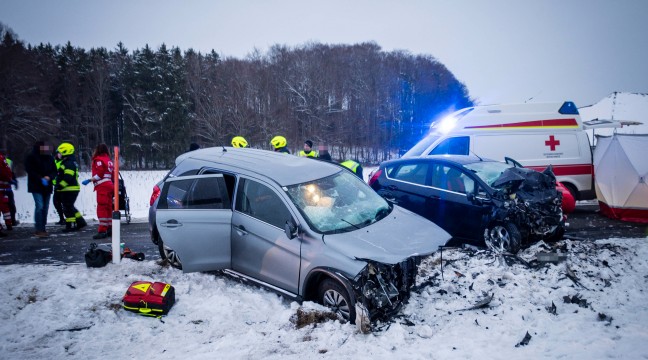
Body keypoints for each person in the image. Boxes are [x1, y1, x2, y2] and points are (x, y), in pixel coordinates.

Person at [25, 141, 57, 238]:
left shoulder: (50, 158)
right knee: (40, 206)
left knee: (45, 207)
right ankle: (39, 228)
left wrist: (49, 177)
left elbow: (54, 170)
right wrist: (40, 178)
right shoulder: (31, 157)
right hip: (36, 185)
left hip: (47, 186)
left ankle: (42, 227)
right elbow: (30, 170)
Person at [83, 144, 114, 239]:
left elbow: (99, 174)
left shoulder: (99, 160)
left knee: (102, 208)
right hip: (109, 185)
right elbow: (112, 175)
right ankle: (109, 228)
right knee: (108, 208)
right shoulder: (109, 160)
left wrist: (90, 180)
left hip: (102, 186)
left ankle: (102, 230)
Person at [54, 142, 87, 232]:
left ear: (65, 152)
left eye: (59, 153)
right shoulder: (68, 162)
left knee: (67, 208)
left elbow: (68, 177)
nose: (58, 155)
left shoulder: (68, 163)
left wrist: (60, 186)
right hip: (70, 189)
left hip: (69, 189)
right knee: (70, 207)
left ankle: (70, 225)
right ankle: (80, 222)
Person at [0, 150, 18, 226]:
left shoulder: (6, 161)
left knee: (7, 206)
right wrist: (12, 180)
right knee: (8, 206)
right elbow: (8, 173)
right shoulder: (5, 161)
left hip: (6, 187)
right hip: (5, 188)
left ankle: (10, 222)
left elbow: (9, 173)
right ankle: (11, 222)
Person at [0, 152, 13, 237]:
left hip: (4, 187)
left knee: (5, 205)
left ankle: (9, 223)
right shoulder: (1, 159)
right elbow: (5, 172)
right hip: (3, 186)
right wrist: (9, 179)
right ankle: (9, 224)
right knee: (4, 206)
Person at [52, 152, 66, 225]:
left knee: (64, 203)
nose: (59, 155)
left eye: (61, 153)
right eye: (58, 153)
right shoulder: (54, 162)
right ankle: (62, 218)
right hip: (56, 185)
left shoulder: (64, 162)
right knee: (56, 202)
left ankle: (67, 218)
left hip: (63, 185)